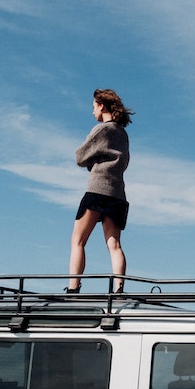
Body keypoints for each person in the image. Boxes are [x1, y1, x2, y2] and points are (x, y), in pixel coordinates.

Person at [68, 88, 132, 293]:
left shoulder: (101, 130)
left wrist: (93, 162)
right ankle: (118, 289)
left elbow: (80, 156)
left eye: (93, 106)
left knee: (78, 241)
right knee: (114, 245)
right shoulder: (123, 134)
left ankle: (73, 289)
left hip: (97, 190)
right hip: (117, 194)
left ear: (101, 105)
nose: (92, 111)